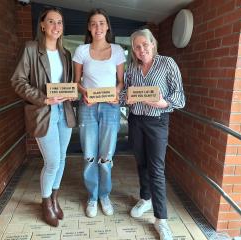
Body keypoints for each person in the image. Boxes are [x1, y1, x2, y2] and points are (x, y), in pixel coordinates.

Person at [11, 7, 76, 227]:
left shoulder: (65, 53)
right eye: (51, 22)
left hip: (64, 112)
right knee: (52, 161)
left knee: (62, 159)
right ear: (42, 25)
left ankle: (55, 198)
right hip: (43, 111)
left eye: (59, 22)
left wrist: (73, 92)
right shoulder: (31, 49)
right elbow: (18, 81)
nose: (56, 26)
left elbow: (67, 85)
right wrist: (43, 98)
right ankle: (46, 202)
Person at [121, 29, 185, 240]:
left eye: (144, 45)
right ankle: (145, 198)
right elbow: (123, 95)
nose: (141, 50)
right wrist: (125, 99)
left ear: (153, 43)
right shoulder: (131, 68)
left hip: (157, 121)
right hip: (136, 120)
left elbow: (179, 96)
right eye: (137, 47)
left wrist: (163, 102)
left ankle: (161, 220)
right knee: (141, 162)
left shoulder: (167, 63)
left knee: (156, 169)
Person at [73, 8, 126, 218]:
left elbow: (120, 82)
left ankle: (104, 195)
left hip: (110, 108)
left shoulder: (118, 50)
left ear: (107, 26)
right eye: (94, 23)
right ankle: (92, 197)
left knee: (106, 156)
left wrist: (117, 92)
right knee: (89, 156)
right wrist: (83, 91)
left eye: (101, 23)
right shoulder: (81, 51)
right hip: (88, 106)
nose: (98, 27)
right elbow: (76, 82)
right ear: (89, 27)